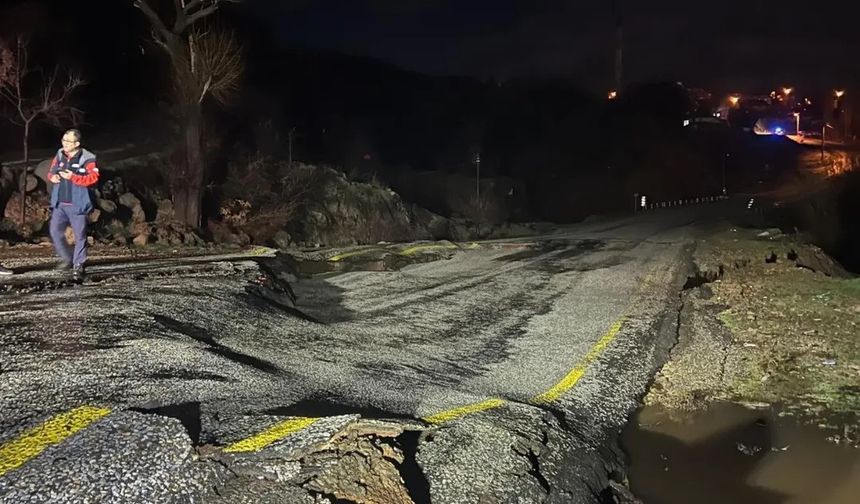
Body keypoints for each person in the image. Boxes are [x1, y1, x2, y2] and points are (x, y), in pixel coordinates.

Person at [47, 129, 99, 281]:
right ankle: (67, 258)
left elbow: (93, 178)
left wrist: (73, 177)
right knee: (55, 232)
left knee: (80, 236)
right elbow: (51, 171)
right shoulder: (59, 154)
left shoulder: (88, 158)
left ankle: (79, 264)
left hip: (78, 204)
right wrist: (53, 177)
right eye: (63, 140)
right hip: (60, 203)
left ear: (77, 144)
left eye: (68, 141)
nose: (64, 144)